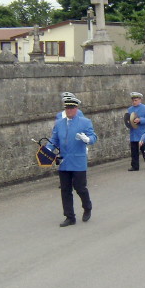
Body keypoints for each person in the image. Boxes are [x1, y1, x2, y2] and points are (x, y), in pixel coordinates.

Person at [48, 94, 98, 227]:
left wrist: (88, 139)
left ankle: (87, 206)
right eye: (67, 108)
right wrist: (48, 149)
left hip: (78, 161)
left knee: (80, 187)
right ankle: (69, 217)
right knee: (65, 190)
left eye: (71, 108)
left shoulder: (85, 122)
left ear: (76, 109)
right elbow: (54, 140)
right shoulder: (59, 123)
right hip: (64, 161)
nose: (69, 110)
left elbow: (93, 136)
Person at [127, 92, 145, 171]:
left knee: (144, 149)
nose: (134, 102)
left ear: (140, 100)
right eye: (133, 100)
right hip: (133, 132)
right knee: (134, 150)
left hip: (142, 132)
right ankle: (135, 166)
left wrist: (140, 120)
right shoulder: (130, 109)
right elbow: (128, 119)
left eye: (136, 100)